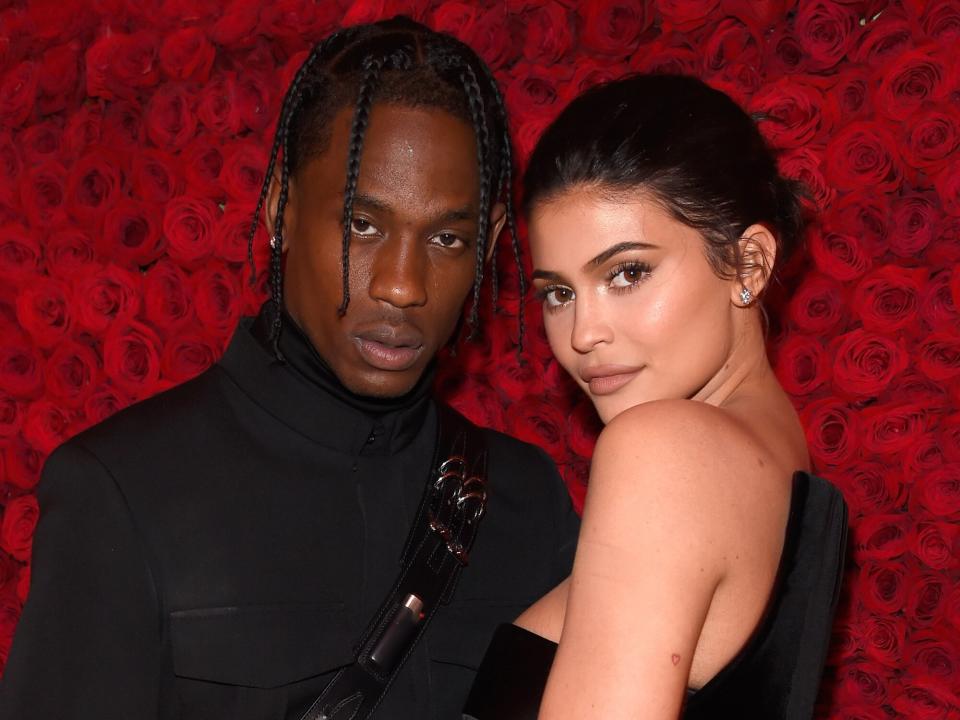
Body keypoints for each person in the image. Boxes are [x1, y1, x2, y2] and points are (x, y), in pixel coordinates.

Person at [0, 18, 580, 720]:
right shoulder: (125, 496)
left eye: (447, 238)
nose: (403, 284)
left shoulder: (525, 503)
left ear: (486, 246)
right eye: (363, 225)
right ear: (280, 204)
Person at [462, 74, 848, 719]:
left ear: (749, 264)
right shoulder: (778, 461)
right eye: (559, 293)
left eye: (628, 273)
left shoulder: (664, 451)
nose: (584, 334)